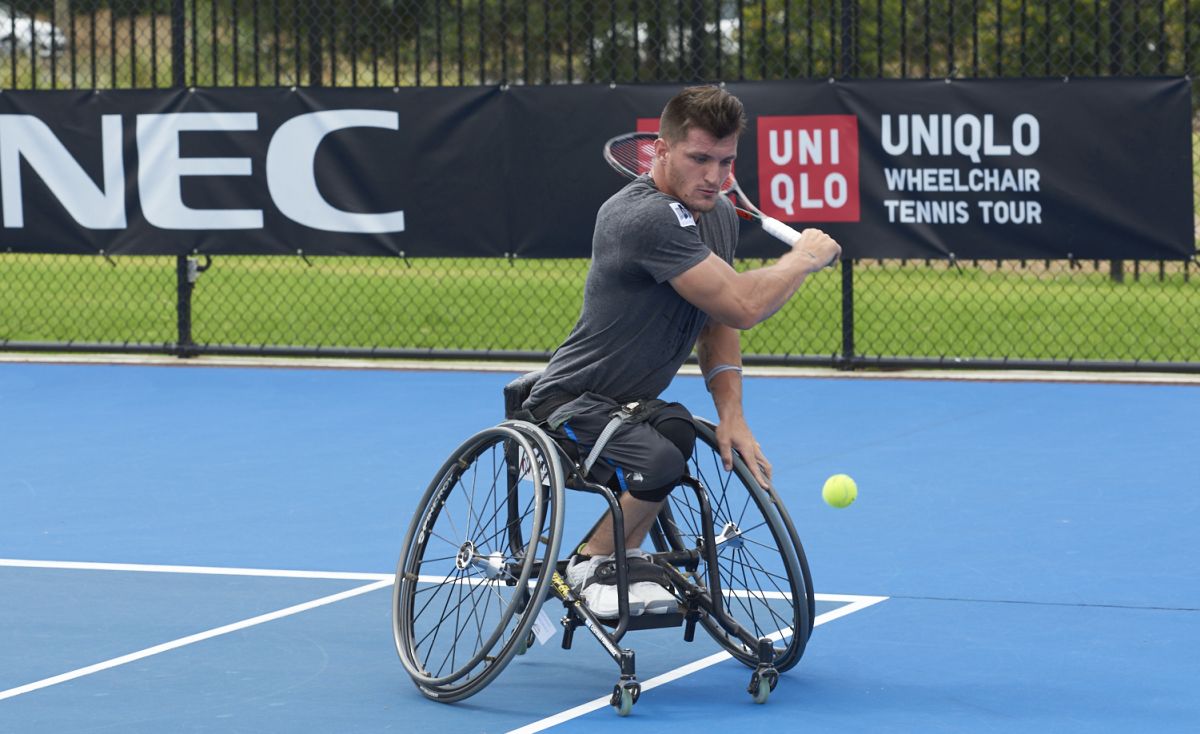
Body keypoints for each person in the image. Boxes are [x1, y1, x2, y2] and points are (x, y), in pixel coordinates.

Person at [523, 85, 841, 618]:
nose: (714, 177)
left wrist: (732, 416)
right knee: (659, 457)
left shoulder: (714, 213)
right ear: (660, 152)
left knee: (673, 434)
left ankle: (614, 554)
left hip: (629, 406)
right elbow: (742, 304)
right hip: (569, 404)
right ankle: (591, 563)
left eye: (725, 161)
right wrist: (801, 260)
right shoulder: (641, 219)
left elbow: (717, 320)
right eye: (699, 159)